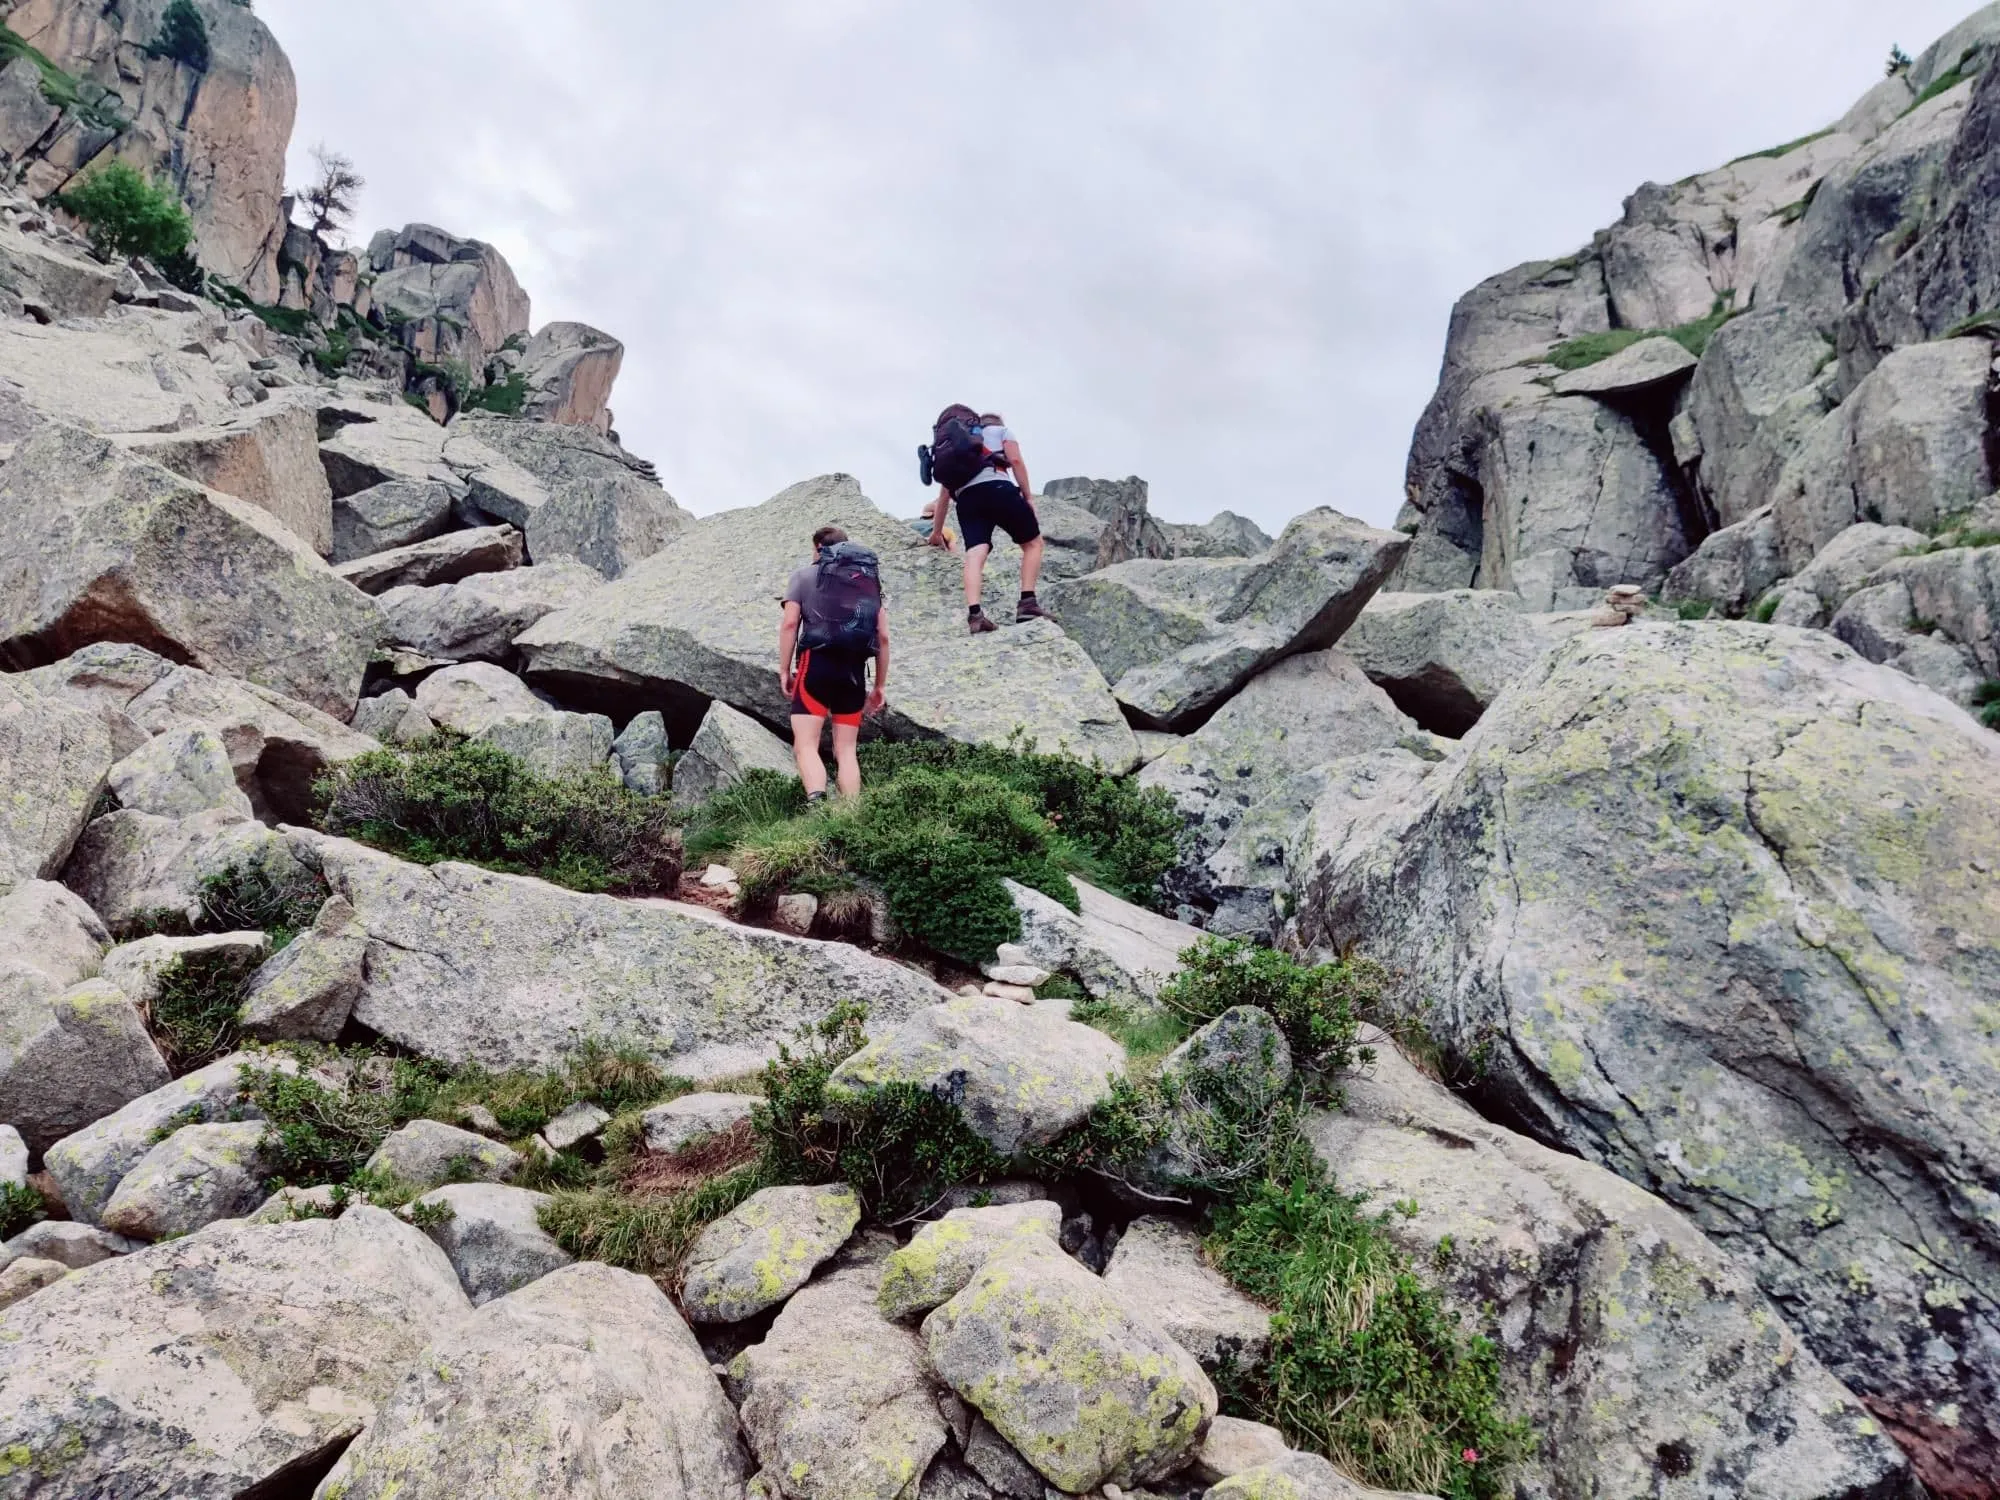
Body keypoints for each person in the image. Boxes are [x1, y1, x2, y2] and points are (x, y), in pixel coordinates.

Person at [778, 525, 889, 802]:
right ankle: (850, 816)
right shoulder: (867, 583)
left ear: (818, 547)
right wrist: (879, 686)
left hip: (816, 665)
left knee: (805, 745)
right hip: (853, 671)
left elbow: (790, 623)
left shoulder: (803, 576)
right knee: (846, 749)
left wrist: (783, 669)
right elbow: (884, 637)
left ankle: (817, 804)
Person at [926, 405, 1046, 634]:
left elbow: (944, 496)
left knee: (975, 552)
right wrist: (1028, 497)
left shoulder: (961, 444)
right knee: (1033, 544)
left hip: (967, 500)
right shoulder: (1001, 432)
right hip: (998, 488)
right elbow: (1016, 461)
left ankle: (975, 615)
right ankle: (1028, 604)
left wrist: (936, 532)